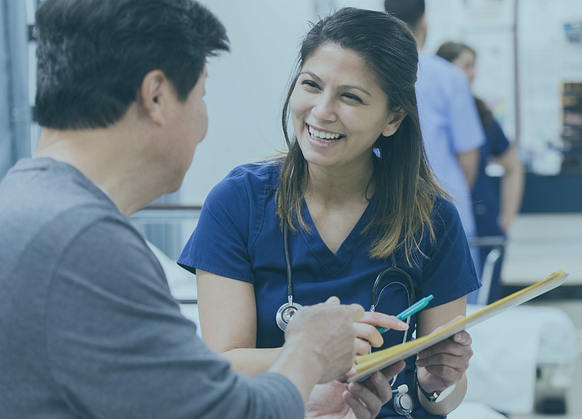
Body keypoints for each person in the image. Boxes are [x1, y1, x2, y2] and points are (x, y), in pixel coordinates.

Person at [0, 0, 367, 418]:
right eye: (201, 96)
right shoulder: (82, 243)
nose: (204, 125)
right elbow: (222, 413)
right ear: (156, 97)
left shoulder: (25, 206)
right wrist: (310, 349)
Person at [178, 7, 477, 419]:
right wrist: (317, 355)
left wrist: (438, 384)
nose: (321, 111)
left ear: (393, 118)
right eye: (311, 85)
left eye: (350, 96)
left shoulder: (432, 219)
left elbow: (443, 397)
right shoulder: (238, 203)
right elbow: (222, 365)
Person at [384, 0, 486, 277]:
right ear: (425, 20)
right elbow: (468, 158)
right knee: (457, 313)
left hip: (388, 213)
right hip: (446, 211)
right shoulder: (450, 77)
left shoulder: (378, 74)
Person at [436, 41, 525, 303]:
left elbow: (513, 167)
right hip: (445, 223)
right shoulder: (428, 111)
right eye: (466, 65)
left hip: (483, 225)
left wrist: (506, 221)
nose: (473, 73)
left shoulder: (480, 113)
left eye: (474, 66)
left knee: (485, 308)